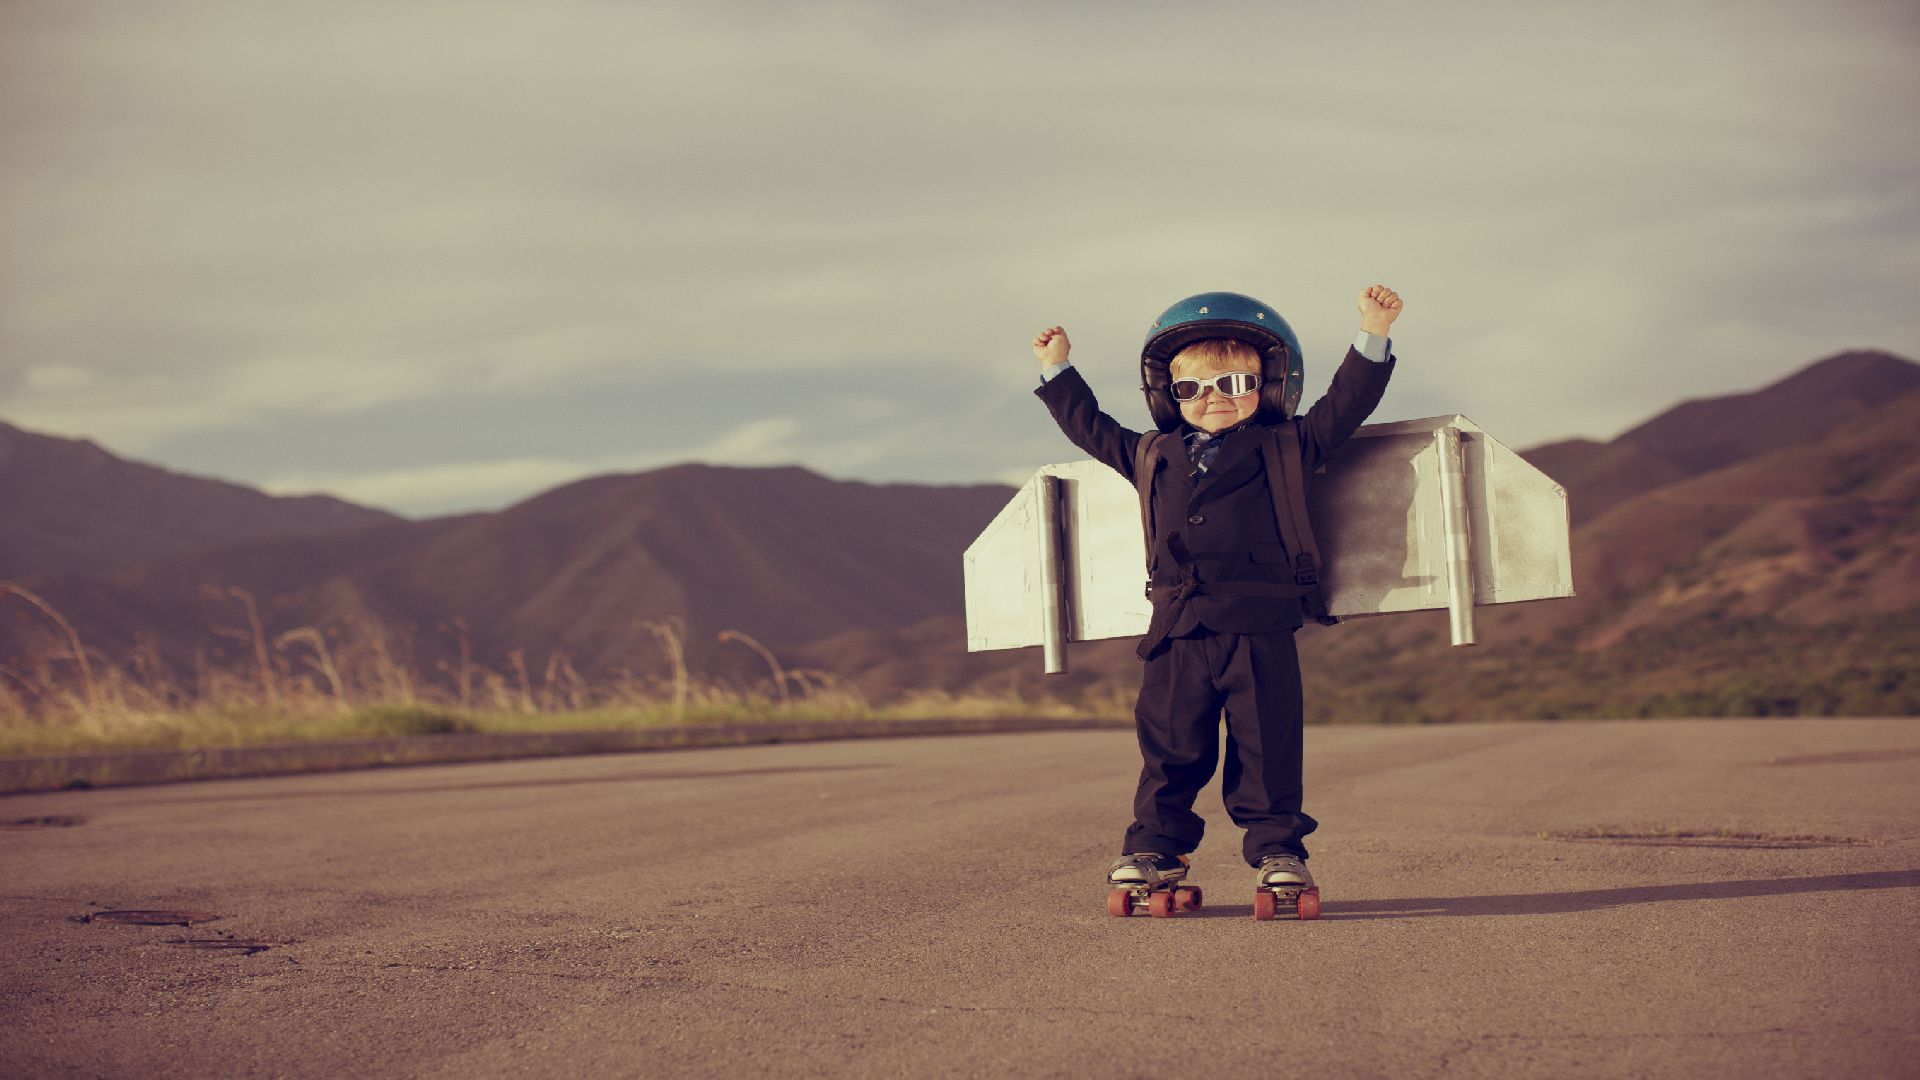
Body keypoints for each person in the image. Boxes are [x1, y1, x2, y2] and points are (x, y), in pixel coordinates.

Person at [1030, 286, 1402, 903]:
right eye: (1192, 389)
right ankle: (1154, 846)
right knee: (1169, 745)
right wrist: (1058, 370)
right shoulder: (1151, 454)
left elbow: (1347, 405)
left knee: (1266, 742)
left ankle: (1278, 848)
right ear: (1167, 397)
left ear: (1270, 386)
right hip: (1176, 628)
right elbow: (1089, 429)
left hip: (1261, 623)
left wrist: (1373, 331)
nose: (1212, 399)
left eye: (1234, 384)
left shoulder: (1288, 445)